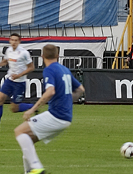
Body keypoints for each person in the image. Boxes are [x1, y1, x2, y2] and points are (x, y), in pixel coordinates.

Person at [14, 43, 84, 174]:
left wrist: (31, 109)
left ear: (42, 56)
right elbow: (80, 90)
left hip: (56, 115)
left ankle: (37, 167)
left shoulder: (49, 70)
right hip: (66, 117)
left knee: (19, 131)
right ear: (57, 55)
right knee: (28, 141)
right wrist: (66, 100)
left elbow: (50, 91)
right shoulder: (65, 70)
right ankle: (29, 171)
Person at [0, 33, 35, 133]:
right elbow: (5, 61)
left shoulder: (24, 53)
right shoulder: (9, 50)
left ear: (19, 42)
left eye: (15, 40)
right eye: (12, 40)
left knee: (14, 109)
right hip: (9, 81)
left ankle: (33, 106)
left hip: (19, 83)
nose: (13, 42)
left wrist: (19, 75)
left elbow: (31, 67)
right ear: (9, 41)